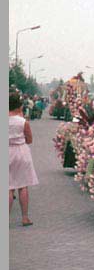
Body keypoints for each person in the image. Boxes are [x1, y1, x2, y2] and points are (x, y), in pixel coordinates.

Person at [9, 92, 39, 227]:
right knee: (22, 185)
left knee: (8, 188)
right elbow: (30, 140)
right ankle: (25, 217)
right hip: (21, 152)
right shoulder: (23, 122)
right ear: (19, 106)